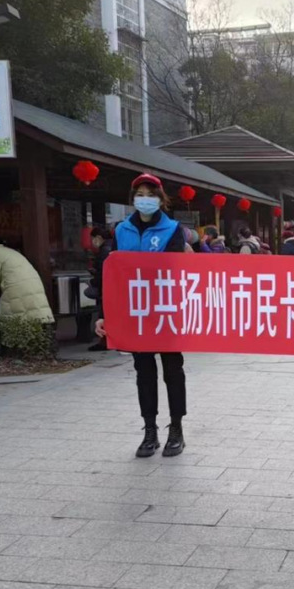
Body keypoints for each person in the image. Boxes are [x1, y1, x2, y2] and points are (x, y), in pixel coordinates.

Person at [94, 173, 188, 458]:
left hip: (166, 312)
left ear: (160, 199)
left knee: (173, 370)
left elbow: (177, 271)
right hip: (136, 314)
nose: (145, 199)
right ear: (133, 199)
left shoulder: (173, 230)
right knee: (144, 372)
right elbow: (111, 276)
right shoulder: (121, 231)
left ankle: (176, 429)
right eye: (140, 194)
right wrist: (104, 314)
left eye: (150, 194)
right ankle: (150, 430)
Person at [0, 238, 55, 325]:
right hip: (33, 284)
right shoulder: (11, 252)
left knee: (6, 319)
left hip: (17, 287)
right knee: (34, 313)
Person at [86, 227, 113, 351]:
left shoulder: (104, 251)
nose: (92, 242)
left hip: (105, 287)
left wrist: (93, 281)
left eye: (92, 239)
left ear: (98, 238)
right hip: (110, 287)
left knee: (104, 313)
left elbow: (103, 273)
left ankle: (104, 341)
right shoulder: (111, 246)